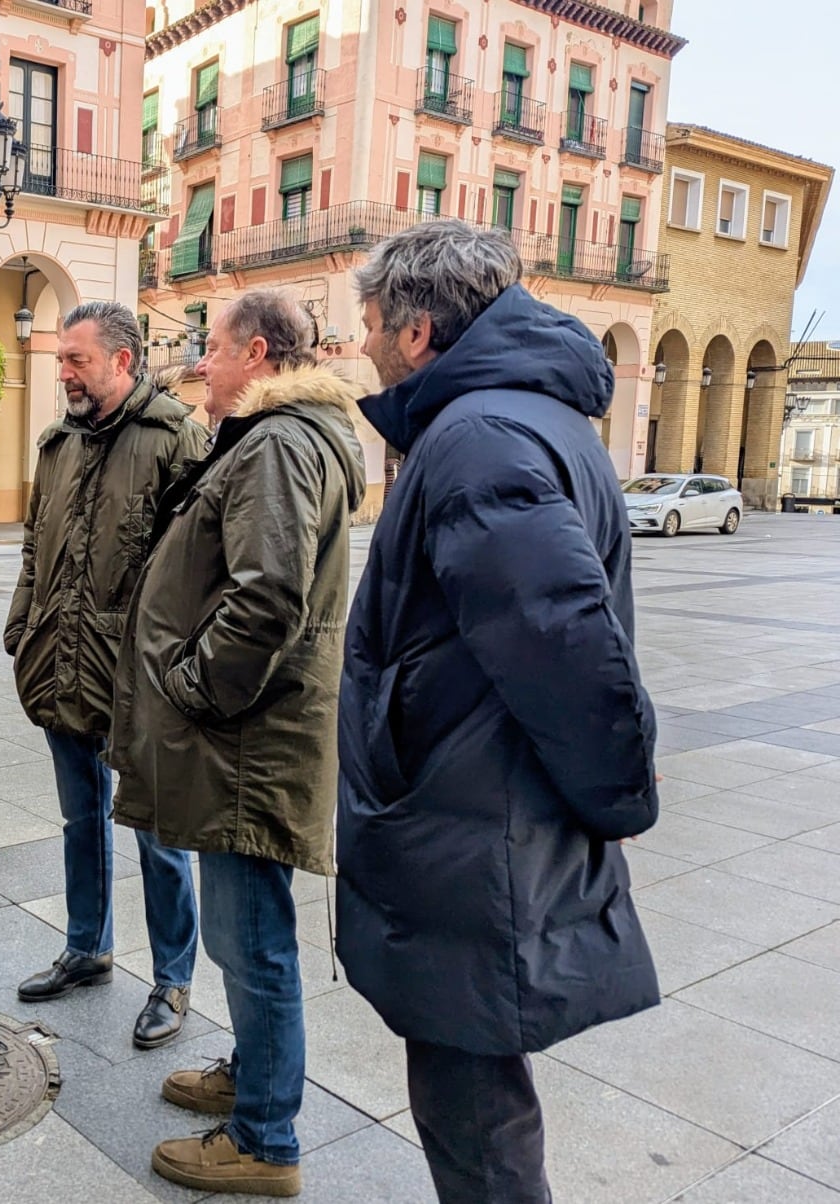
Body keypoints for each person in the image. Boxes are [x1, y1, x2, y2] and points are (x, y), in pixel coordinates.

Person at [337, 220, 661, 1203]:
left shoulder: (478, 436)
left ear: (418, 332)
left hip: (474, 833)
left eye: (369, 325)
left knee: (474, 1117)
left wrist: (614, 797)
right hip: (475, 818)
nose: (361, 345)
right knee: (476, 1097)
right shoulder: (512, 417)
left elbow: (562, 641)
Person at [109, 290, 366, 1198]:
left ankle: (265, 1137)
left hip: (246, 744)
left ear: (254, 352)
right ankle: (256, 1079)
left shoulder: (282, 445)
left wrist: (190, 685)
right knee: (241, 935)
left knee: (252, 941)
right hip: (245, 740)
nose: (197, 364)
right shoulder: (276, 439)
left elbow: (267, 598)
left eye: (207, 349)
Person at [5, 300, 207, 1048]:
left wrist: (179, 664)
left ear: (123, 361)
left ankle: (172, 979)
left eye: (76, 360)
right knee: (80, 818)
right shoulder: (57, 442)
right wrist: (21, 627)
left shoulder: (177, 439)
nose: (64, 373)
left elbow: (204, 568)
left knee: (158, 834)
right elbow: (33, 546)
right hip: (61, 663)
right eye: (61, 359)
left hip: (143, 678)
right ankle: (87, 948)